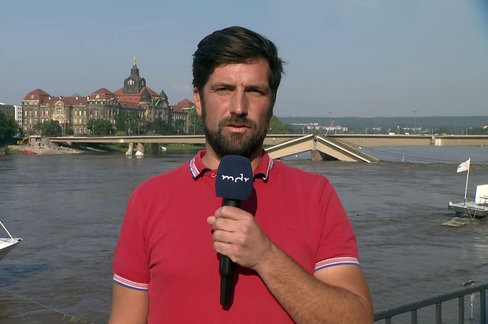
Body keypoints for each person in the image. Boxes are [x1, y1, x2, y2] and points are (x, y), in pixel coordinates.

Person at [109, 26, 373, 323]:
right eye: (223, 90)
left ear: (271, 102)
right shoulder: (148, 200)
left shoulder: (317, 196)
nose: (238, 107)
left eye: (254, 91)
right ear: (198, 99)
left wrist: (266, 257)